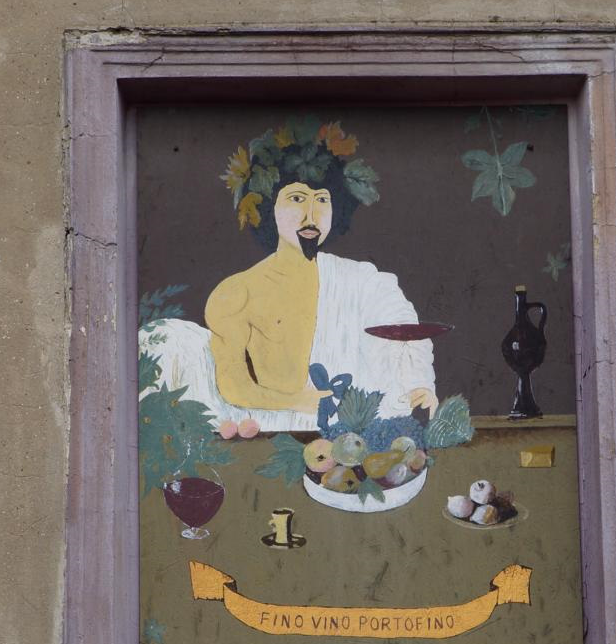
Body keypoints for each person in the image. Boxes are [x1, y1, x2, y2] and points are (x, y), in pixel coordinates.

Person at [140, 123, 436, 432]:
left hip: (358, 433)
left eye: (322, 200)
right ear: (269, 208)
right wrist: (300, 401)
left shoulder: (362, 282)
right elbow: (234, 386)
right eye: (296, 199)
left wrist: (418, 385)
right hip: (276, 428)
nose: (311, 216)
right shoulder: (238, 293)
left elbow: (402, 328)